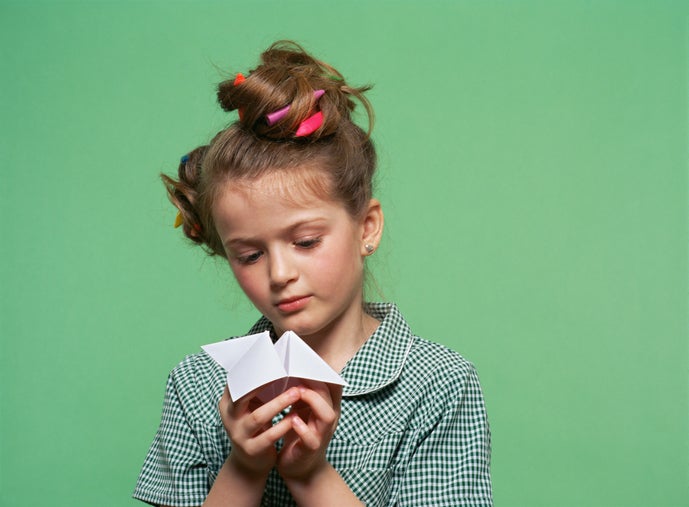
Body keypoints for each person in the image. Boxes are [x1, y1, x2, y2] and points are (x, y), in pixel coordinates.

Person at [133, 40, 492, 507]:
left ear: (367, 227)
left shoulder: (439, 385)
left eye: (305, 242)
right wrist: (243, 468)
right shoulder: (197, 385)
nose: (280, 273)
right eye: (249, 255)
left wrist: (310, 475)